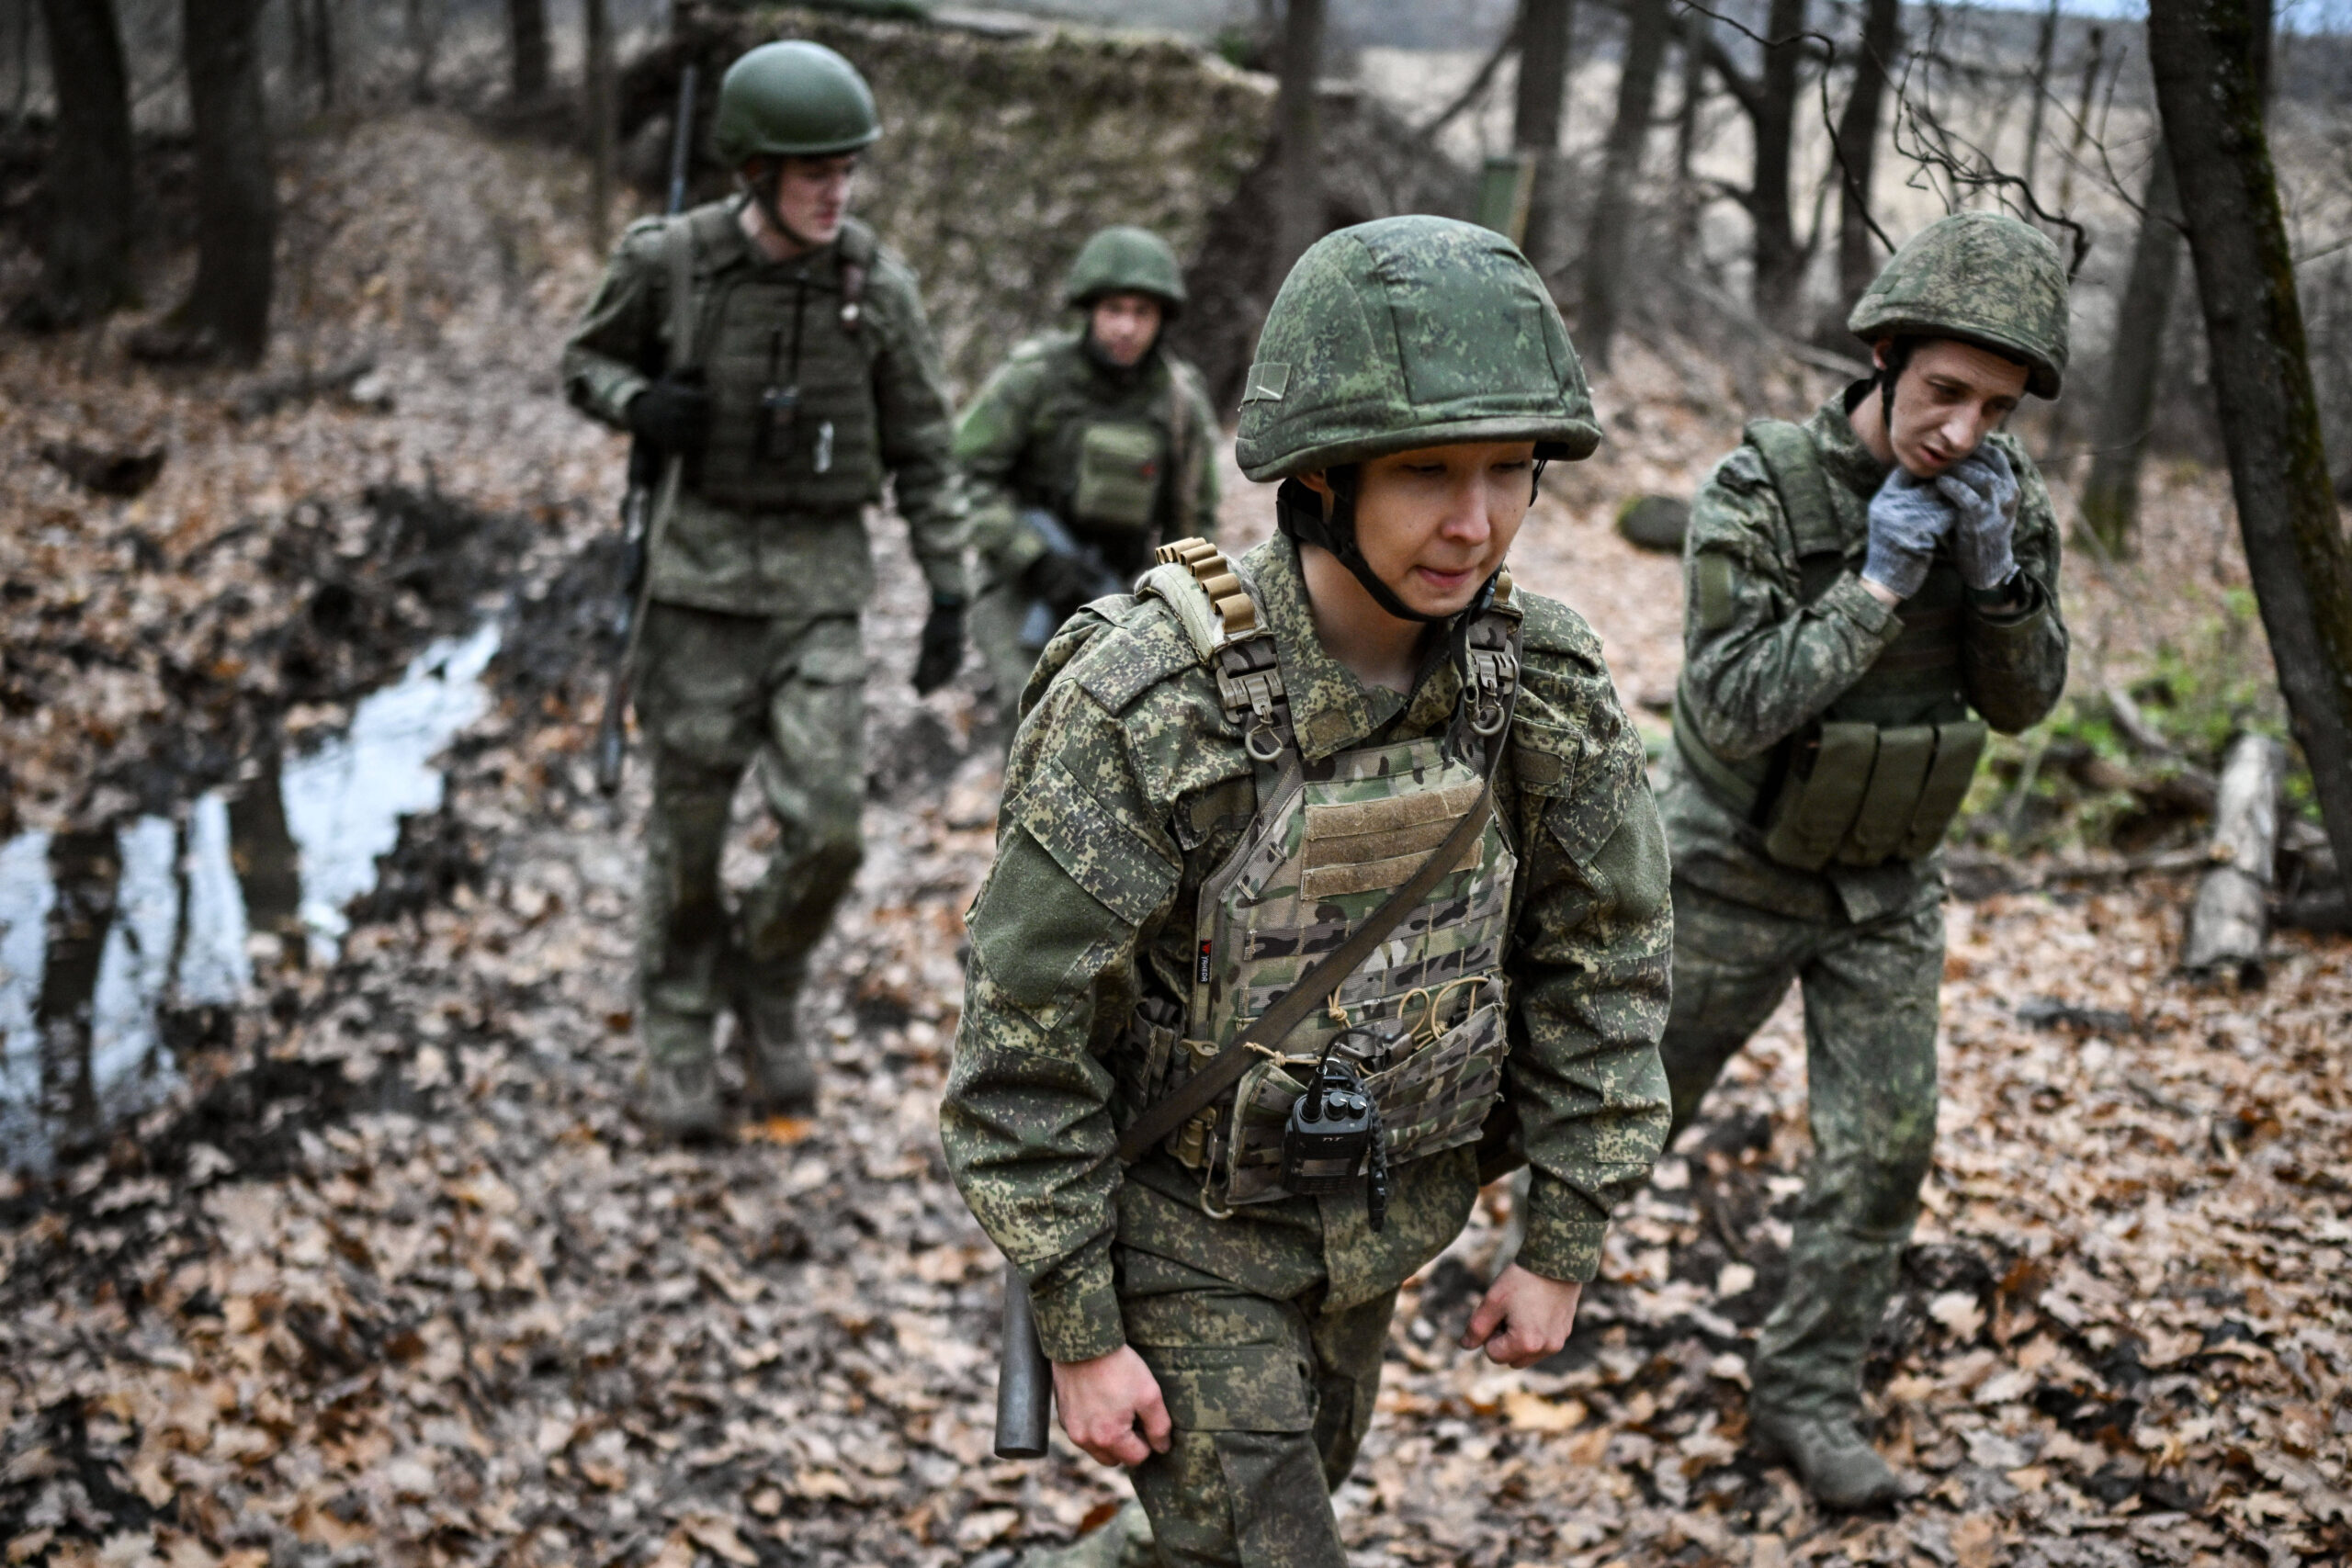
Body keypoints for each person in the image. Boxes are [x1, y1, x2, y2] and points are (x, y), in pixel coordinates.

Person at [943, 216, 1673, 1568]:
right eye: (1427, 473)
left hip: (1380, 1218)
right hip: (1178, 1226)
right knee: (1274, 1543)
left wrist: (1564, 1226)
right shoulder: (1147, 704)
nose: (1477, 521)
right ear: (1320, 479)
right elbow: (1022, 1035)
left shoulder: (1540, 687)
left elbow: (1606, 951)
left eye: (1512, 470)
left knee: (1230, 1525)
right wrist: (1080, 1322)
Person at [1658, 210, 2072, 1508]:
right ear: (1885, 356)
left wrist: (2000, 582)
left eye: (1996, 408)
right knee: (1606, 1111)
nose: (1961, 429)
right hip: (1731, 865)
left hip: (1889, 877)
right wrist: (1874, 587)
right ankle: (1411, 1251)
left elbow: (2025, 701)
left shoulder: (2003, 497)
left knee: (1884, 1148)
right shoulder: (1760, 491)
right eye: (1944, 391)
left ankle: (1806, 1394)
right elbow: (1725, 705)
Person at [560, 41, 967, 1139]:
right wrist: (640, 403)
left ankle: (767, 980)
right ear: (753, 173)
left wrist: (949, 589)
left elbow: (927, 445)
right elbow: (582, 365)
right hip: (694, 595)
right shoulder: (672, 265)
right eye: (811, 171)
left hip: (817, 593)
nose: (836, 190)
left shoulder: (873, 287)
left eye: (846, 169)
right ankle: (679, 1025)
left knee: (829, 830)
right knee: (687, 838)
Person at [955, 225, 1220, 737]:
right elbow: (965, 477)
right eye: (1114, 310)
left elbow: (1193, 523)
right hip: (1024, 581)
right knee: (1033, 721)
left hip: (1121, 588)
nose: (1126, 327)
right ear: (1091, 311)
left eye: (1141, 313)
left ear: (1162, 319)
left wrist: (1168, 603)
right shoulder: (1036, 377)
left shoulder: (1180, 402)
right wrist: (1033, 555)